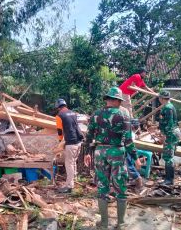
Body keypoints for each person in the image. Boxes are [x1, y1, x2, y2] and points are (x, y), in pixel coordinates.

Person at [83, 87, 141, 229]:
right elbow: (128, 139)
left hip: (100, 152)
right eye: (120, 101)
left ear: (108, 99)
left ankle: (104, 224)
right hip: (117, 152)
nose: (121, 103)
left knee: (102, 186)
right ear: (115, 100)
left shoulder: (96, 114)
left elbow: (89, 135)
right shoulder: (124, 114)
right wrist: (135, 158)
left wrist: (87, 153)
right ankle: (120, 223)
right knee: (120, 187)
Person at [55, 98, 83, 193]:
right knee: (73, 161)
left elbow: (59, 131)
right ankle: (74, 179)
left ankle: (69, 186)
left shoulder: (59, 116)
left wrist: (60, 142)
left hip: (71, 143)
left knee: (69, 163)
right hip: (79, 141)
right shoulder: (73, 113)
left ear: (58, 107)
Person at [158, 90, 178, 185]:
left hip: (169, 135)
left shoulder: (167, 108)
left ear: (161, 98)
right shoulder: (169, 107)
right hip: (170, 134)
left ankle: (169, 180)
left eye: (159, 98)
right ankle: (169, 179)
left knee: (168, 157)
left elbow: (169, 123)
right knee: (168, 156)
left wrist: (165, 136)